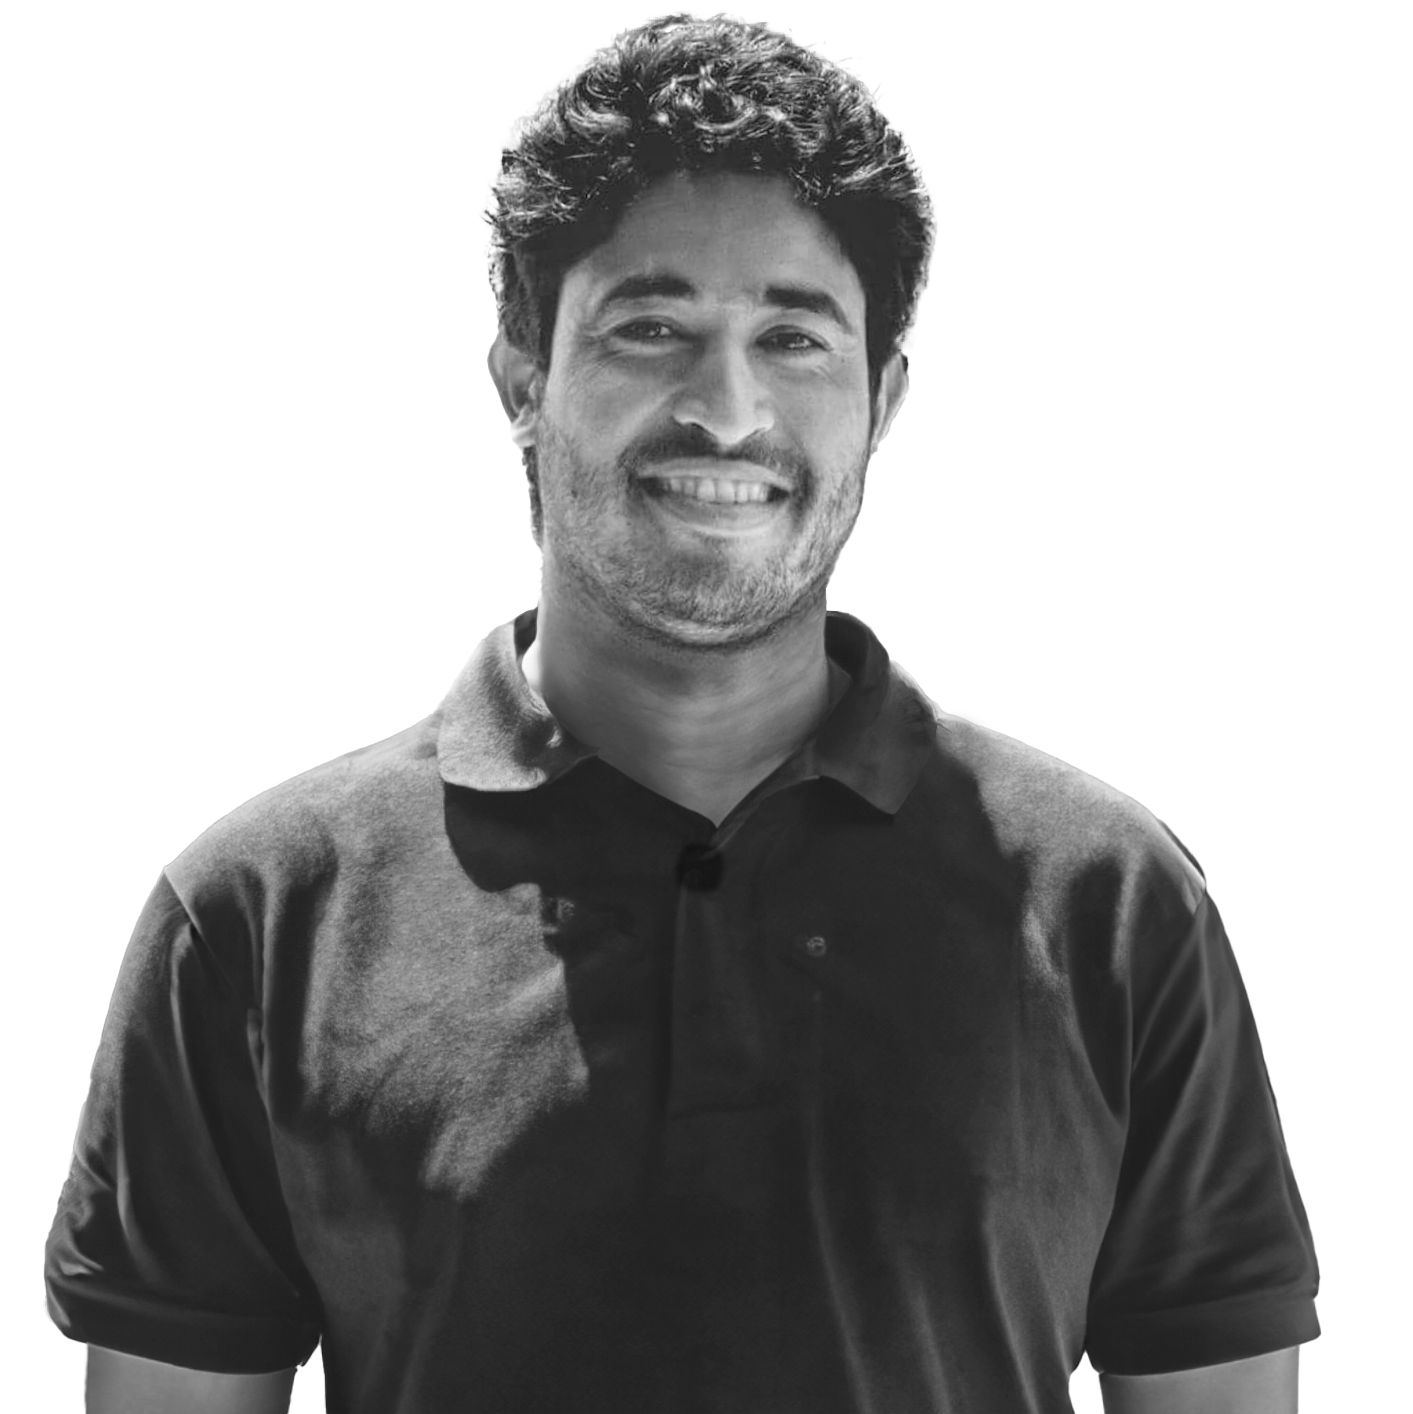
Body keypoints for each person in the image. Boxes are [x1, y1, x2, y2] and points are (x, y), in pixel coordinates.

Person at [44, 11, 1320, 1412]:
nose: (726, 408)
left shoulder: (1113, 903)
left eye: (795, 336)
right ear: (522, 381)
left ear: (885, 397)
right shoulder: (255, 918)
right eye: (651, 327)